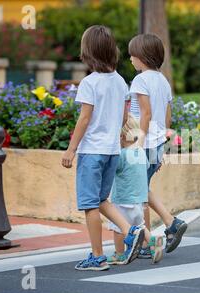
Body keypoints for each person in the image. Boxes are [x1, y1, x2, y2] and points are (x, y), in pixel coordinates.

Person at [61, 25, 144, 271]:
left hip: (91, 152)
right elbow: (124, 117)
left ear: (88, 52)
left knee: (89, 205)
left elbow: (84, 119)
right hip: (111, 151)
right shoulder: (120, 82)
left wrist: (71, 149)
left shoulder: (89, 83)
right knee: (101, 200)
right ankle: (131, 233)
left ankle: (97, 257)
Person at [128, 33, 188, 257]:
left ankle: (146, 244)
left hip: (141, 144)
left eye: (132, 55)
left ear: (142, 57)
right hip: (156, 144)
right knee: (142, 190)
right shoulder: (162, 80)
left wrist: (139, 143)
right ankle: (170, 223)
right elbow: (166, 116)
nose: (130, 60)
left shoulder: (140, 80)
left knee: (138, 196)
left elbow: (146, 113)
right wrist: (160, 145)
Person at [107, 114, 164, 265]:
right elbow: (143, 169)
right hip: (139, 201)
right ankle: (152, 241)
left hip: (123, 200)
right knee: (140, 226)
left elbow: (112, 170)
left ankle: (119, 253)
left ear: (122, 136)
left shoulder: (122, 155)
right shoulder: (140, 154)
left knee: (118, 228)